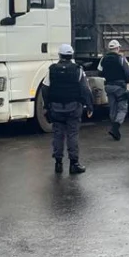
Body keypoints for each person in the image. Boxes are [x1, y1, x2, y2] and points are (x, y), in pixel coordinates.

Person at [42, 44, 94, 174]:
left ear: (59, 55)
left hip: (56, 108)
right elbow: (85, 89)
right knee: (72, 135)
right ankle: (74, 164)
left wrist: (47, 106)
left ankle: (58, 164)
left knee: (58, 135)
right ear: (71, 55)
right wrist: (89, 105)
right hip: (73, 107)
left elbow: (45, 88)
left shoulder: (51, 69)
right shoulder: (78, 69)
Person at [99, 39, 129, 141]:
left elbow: (100, 72)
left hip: (109, 87)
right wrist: (126, 81)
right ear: (118, 48)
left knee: (112, 108)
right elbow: (128, 73)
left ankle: (115, 131)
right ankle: (115, 127)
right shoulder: (121, 59)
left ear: (109, 49)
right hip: (120, 87)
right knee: (122, 108)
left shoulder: (103, 59)